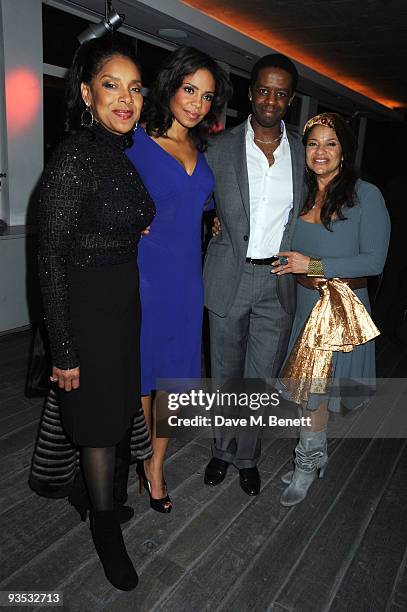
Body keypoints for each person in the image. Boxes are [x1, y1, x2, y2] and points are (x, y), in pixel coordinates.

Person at [37, 36, 155, 590]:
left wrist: (134, 223)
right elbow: (51, 261)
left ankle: (90, 496)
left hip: (121, 304)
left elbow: (118, 214)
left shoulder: (119, 151)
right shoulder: (74, 156)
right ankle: (106, 531)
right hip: (85, 309)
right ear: (86, 93)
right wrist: (62, 348)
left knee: (112, 411)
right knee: (101, 426)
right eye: (111, 86)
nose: (125, 99)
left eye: (134, 88)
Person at [126, 47, 232, 512]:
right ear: (170, 86)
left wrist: (213, 220)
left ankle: (155, 465)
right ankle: (147, 458)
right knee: (145, 378)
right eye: (190, 90)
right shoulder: (133, 141)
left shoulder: (202, 149)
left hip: (188, 281)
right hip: (144, 276)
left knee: (174, 380)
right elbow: (104, 198)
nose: (197, 104)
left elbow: (199, 205)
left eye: (208, 97)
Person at [274, 112, 390, 506]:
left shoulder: (366, 195)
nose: (320, 152)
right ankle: (314, 457)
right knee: (310, 391)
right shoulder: (301, 193)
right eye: (313, 144)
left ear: (344, 151)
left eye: (330, 143)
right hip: (305, 303)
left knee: (315, 393)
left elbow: (374, 262)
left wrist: (315, 266)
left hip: (339, 309)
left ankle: (307, 464)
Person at [203, 54, 304, 495]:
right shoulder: (219, 147)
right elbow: (194, 197)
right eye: (264, 89)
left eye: (280, 93)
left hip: (277, 280)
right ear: (251, 91)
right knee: (226, 374)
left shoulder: (302, 153)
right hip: (229, 274)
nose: (271, 100)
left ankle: (247, 457)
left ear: (290, 100)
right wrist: (210, 218)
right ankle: (222, 452)